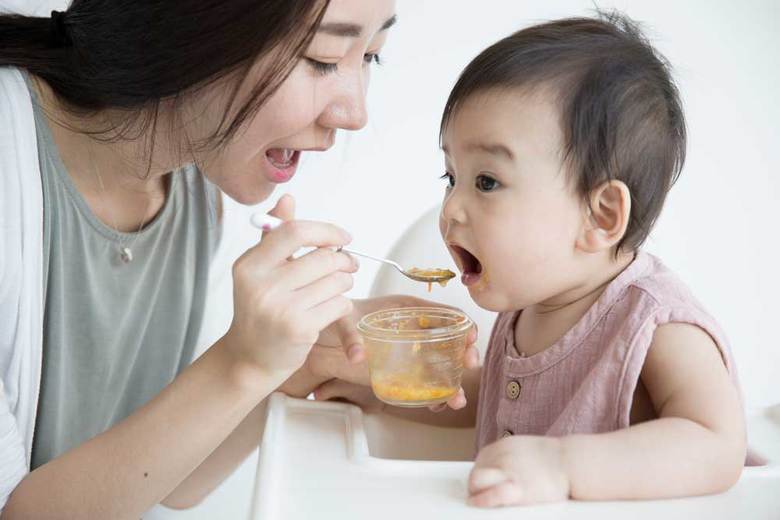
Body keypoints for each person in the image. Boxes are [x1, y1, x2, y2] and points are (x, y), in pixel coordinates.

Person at [0, 0, 477, 517]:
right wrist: (242, 364)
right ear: (190, 28)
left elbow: (162, 481)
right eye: (322, 58)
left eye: (372, 56)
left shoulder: (188, 182)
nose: (355, 114)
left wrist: (291, 362)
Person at [315, 11, 750, 508]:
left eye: (487, 182)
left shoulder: (656, 323)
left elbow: (716, 445)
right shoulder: (530, 305)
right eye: (450, 177)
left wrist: (563, 466)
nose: (451, 207)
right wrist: (384, 395)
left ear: (601, 215)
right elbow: (502, 403)